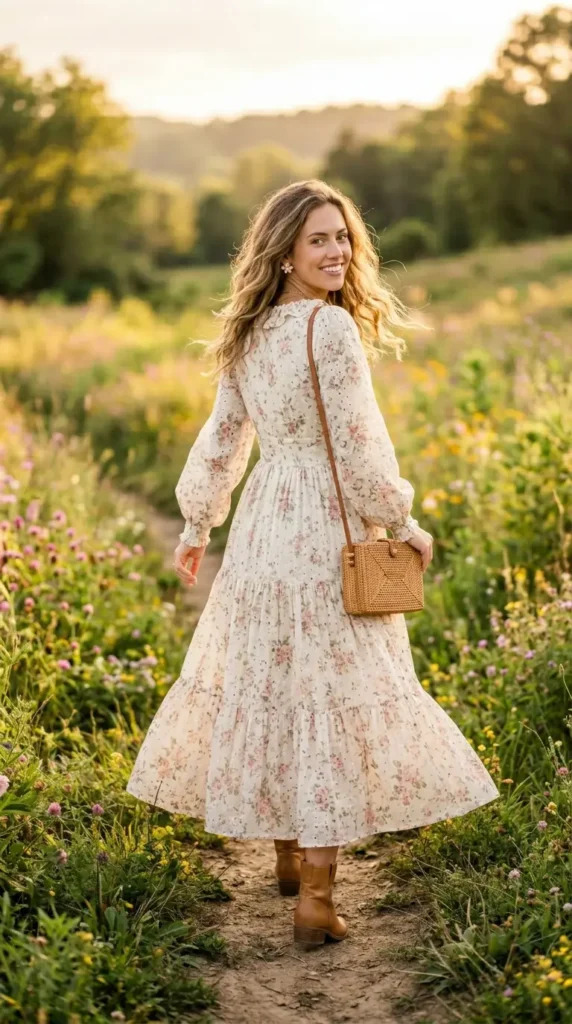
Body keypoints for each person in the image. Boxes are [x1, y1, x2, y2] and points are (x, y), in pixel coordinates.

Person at [126, 179, 500, 949]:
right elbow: (361, 448)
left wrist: (201, 519)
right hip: (325, 530)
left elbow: (224, 438)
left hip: (265, 527)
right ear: (286, 252)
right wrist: (404, 520)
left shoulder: (250, 331)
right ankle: (317, 900)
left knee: (274, 678)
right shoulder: (327, 333)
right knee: (327, 688)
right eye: (319, 240)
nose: (337, 252)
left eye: (343, 238)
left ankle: (288, 859)